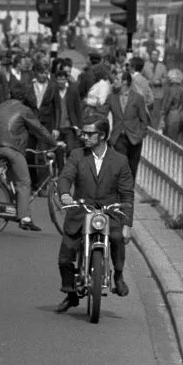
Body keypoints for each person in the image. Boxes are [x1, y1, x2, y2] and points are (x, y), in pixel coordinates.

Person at [55, 116, 134, 313]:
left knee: (116, 237)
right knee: (65, 257)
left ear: (103, 135)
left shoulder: (120, 161)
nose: (84, 137)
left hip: (109, 214)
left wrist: (127, 224)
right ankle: (71, 294)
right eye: (83, 132)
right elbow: (65, 177)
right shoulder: (77, 155)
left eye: (90, 133)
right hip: (81, 211)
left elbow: (126, 194)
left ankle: (118, 276)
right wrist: (65, 194)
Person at [0, 84, 59, 231]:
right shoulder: (24, 110)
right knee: (25, 181)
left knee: (13, 181)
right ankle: (25, 218)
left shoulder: (2, 106)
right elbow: (38, 128)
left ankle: (15, 208)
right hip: (11, 148)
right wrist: (54, 143)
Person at [108, 70, 150, 179]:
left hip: (135, 138)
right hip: (118, 137)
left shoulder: (138, 98)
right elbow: (102, 114)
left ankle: (128, 193)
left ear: (125, 82)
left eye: (117, 79)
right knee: (121, 166)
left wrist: (141, 135)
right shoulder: (111, 97)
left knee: (132, 168)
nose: (114, 81)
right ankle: (120, 192)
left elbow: (144, 119)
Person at [161, 69, 183, 148]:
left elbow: (168, 104)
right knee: (179, 141)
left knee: (170, 141)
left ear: (171, 79)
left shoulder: (171, 90)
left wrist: (162, 113)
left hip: (172, 117)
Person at [142, 49, 168, 130]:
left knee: (156, 113)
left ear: (158, 56)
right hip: (148, 93)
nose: (154, 56)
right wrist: (147, 82)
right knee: (147, 112)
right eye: (153, 55)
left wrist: (160, 82)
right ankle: (147, 128)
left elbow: (166, 78)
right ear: (150, 55)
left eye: (156, 55)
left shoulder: (162, 67)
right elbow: (141, 76)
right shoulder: (145, 66)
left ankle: (154, 130)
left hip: (158, 94)